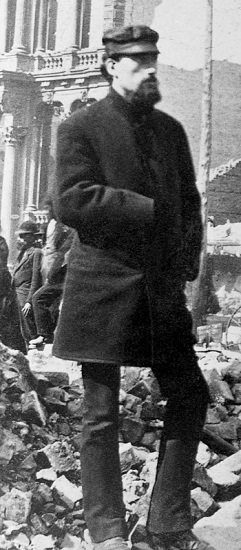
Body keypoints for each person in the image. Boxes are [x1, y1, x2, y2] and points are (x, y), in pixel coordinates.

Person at [52, 25, 212, 550]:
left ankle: (167, 521)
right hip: (102, 286)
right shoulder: (80, 126)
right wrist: (147, 210)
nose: (149, 70)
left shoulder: (170, 131)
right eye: (138, 61)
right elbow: (71, 199)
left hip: (160, 292)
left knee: (189, 395)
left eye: (153, 60)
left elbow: (189, 204)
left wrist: (186, 262)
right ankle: (107, 534)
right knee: (100, 415)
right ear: (111, 66)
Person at [29, 215, 75, 347]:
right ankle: (46, 335)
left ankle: (46, 335)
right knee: (41, 300)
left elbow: (64, 256)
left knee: (40, 299)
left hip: (63, 276)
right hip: (58, 276)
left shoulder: (67, 231)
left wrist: (53, 273)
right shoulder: (59, 227)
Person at [12, 221, 42, 351]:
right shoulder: (23, 252)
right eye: (21, 236)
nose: (21, 239)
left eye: (25, 236)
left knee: (30, 327)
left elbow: (36, 278)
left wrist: (29, 301)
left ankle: (35, 355)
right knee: (22, 329)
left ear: (33, 237)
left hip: (26, 294)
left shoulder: (36, 252)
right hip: (17, 293)